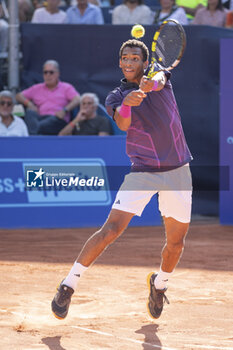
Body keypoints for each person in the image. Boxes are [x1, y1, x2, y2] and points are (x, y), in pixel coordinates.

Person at [51, 38, 192, 320]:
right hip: (142, 171)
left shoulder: (158, 76)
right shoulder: (114, 97)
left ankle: (159, 285)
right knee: (111, 230)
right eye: (125, 58)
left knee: (176, 243)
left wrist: (151, 83)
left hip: (178, 171)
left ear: (144, 62)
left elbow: (161, 78)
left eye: (135, 58)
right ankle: (68, 285)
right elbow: (123, 123)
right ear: (120, 62)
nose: (129, 62)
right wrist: (128, 103)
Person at [15, 60, 80, 135]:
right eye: (45, 72)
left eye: (51, 72)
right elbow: (18, 96)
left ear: (58, 74)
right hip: (40, 118)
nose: (48, 75)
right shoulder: (37, 88)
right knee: (30, 113)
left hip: (56, 119)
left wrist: (64, 110)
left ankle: (32, 139)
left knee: (37, 127)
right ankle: (34, 135)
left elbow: (77, 99)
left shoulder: (66, 87)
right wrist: (30, 104)